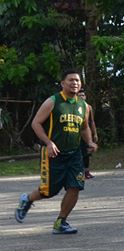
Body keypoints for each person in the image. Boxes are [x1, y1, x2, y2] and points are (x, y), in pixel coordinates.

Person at [15, 70, 97, 234]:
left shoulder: (84, 106)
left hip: (74, 154)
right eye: (71, 80)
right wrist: (49, 142)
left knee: (75, 187)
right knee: (48, 191)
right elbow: (36, 123)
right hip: (53, 154)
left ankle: (61, 222)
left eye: (77, 81)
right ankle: (27, 199)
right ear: (62, 83)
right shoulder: (53, 101)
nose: (74, 83)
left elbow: (84, 127)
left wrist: (89, 141)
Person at [78, 89, 97, 179]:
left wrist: (95, 133)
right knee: (78, 153)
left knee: (87, 153)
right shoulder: (74, 106)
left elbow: (92, 121)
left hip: (86, 133)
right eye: (80, 95)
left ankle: (87, 172)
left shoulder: (88, 107)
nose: (81, 97)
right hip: (76, 133)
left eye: (83, 95)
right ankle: (79, 172)